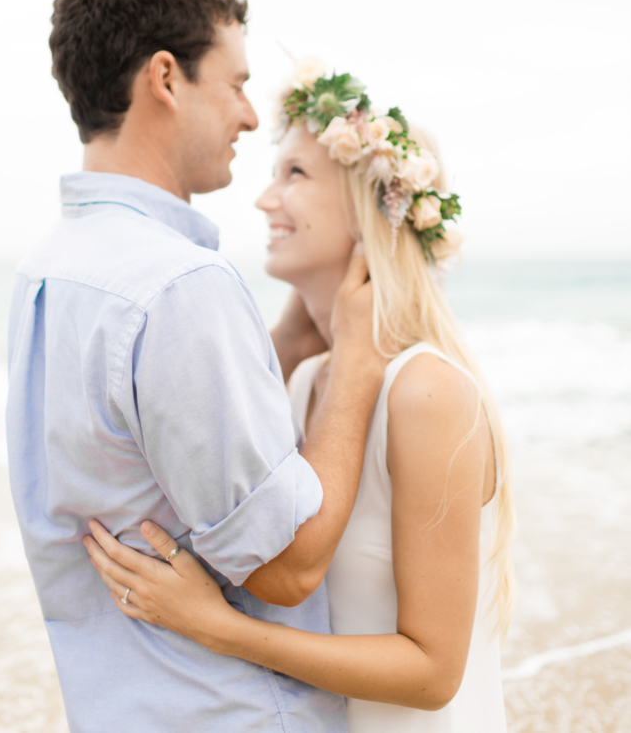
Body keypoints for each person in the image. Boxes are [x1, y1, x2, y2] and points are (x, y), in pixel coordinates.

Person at [6, 0, 391, 733]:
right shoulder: (178, 287)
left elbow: (147, 449)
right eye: (238, 83)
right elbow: (290, 564)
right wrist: (354, 359)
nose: (250, 115)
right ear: (166, 78)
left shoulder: (48, 272)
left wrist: (287, 339)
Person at [83, 60, 516, 732]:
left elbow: (433, 674)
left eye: (296, 175)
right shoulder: (312, 381)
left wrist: (217, 628)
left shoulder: (426, 392)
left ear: (373, 209)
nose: (264, 199)